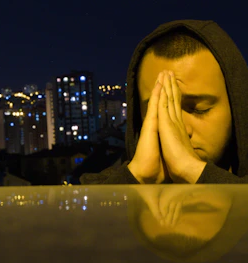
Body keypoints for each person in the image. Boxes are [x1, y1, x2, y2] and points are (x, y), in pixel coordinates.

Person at [80, 19, 248, 184]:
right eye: (159, 110)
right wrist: (137, 177)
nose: (179, 129)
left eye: (199, 109)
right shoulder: (102, 191)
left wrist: (190, 170)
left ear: (236, 107)